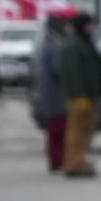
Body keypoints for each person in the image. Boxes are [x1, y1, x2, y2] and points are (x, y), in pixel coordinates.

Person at [59, 11, 101, 177]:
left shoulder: (84, 42)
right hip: (79, 97)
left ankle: (80, 162)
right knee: (77, 131)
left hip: (89, 96)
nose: (93, 28)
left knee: (86, 130)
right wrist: (78, 95)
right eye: (90, 24)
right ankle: (73, 164)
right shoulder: (73, 45)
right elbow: (73, 73)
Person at [31, 15, 71, 173]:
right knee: (57, 130)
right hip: (56, 95)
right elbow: (58, 69)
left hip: (49, 94)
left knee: (54, 129)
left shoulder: (46, 43)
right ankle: (57, 159)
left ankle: (56, 159)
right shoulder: (54, 45)